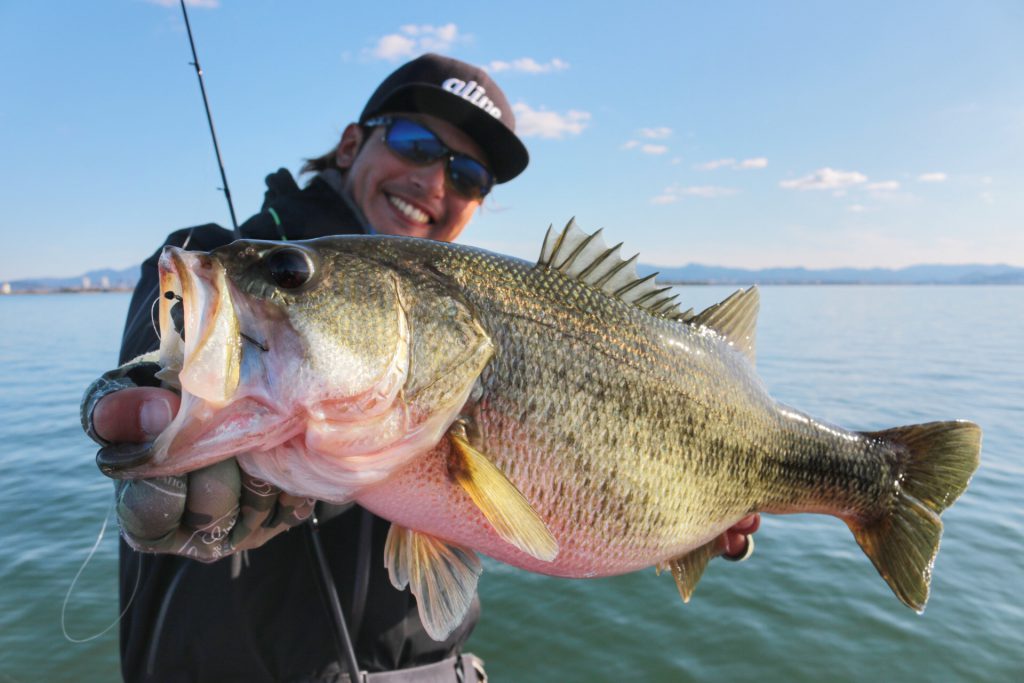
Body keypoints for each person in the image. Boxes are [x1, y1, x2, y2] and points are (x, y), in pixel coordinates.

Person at [81, 53, 760, 682]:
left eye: (468, 177)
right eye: (415, 143)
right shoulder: (217, 257)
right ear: (351, 143)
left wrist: (696, 514)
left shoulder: (477, 312)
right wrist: (154, 407)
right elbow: (162, 359)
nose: (434, 181)